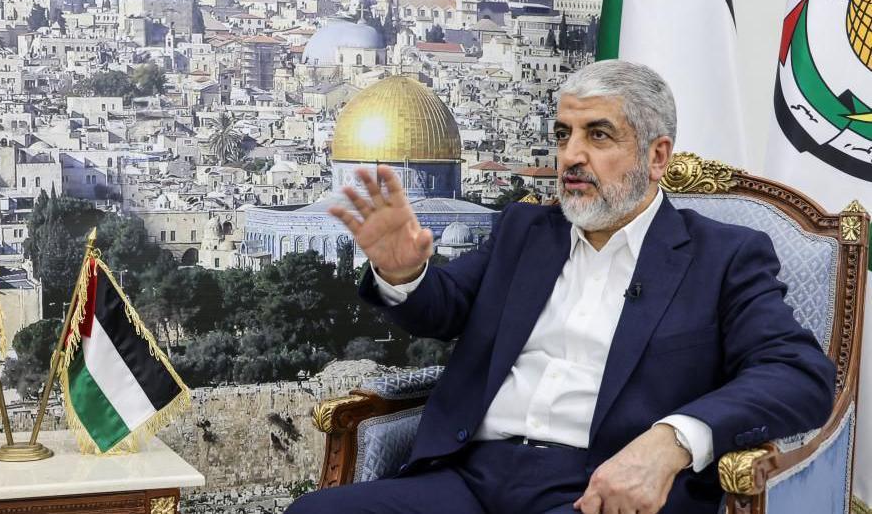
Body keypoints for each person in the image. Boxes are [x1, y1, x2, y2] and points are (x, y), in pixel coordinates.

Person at [288, 60, 835, 514]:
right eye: (563, 135)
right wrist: (404, 272)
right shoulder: (524, 231)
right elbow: (443, 309)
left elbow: (799, 376)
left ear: (656, 155)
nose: (571, 155)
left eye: (598, 134)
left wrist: (672, 441)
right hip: (469, 478)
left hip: (598, 488)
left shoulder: (723, 256)